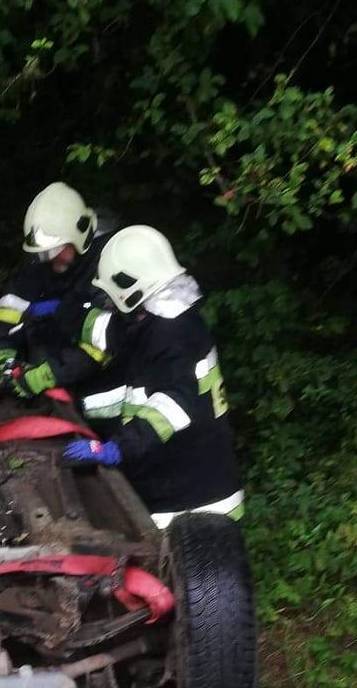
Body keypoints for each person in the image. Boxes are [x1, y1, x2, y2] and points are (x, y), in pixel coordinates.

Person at [60, 226, 244, 528]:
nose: (109, 302)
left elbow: (171, 408)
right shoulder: (157, 317)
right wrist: (63, 316)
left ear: (131, 286)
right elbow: (112, 335)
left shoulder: (175, 335)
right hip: (171, 483)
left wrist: (116, 448)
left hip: (193, 502)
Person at [0, 181, 109, 398]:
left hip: (100, 379)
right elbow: (8, 309)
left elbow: (104, 344)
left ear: (79, 236)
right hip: (55, 367)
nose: (50, 260)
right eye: (44, 254)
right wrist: (4, 359)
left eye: (55, 251)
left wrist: (44, 376)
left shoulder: (110, 263)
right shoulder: (43, 262)